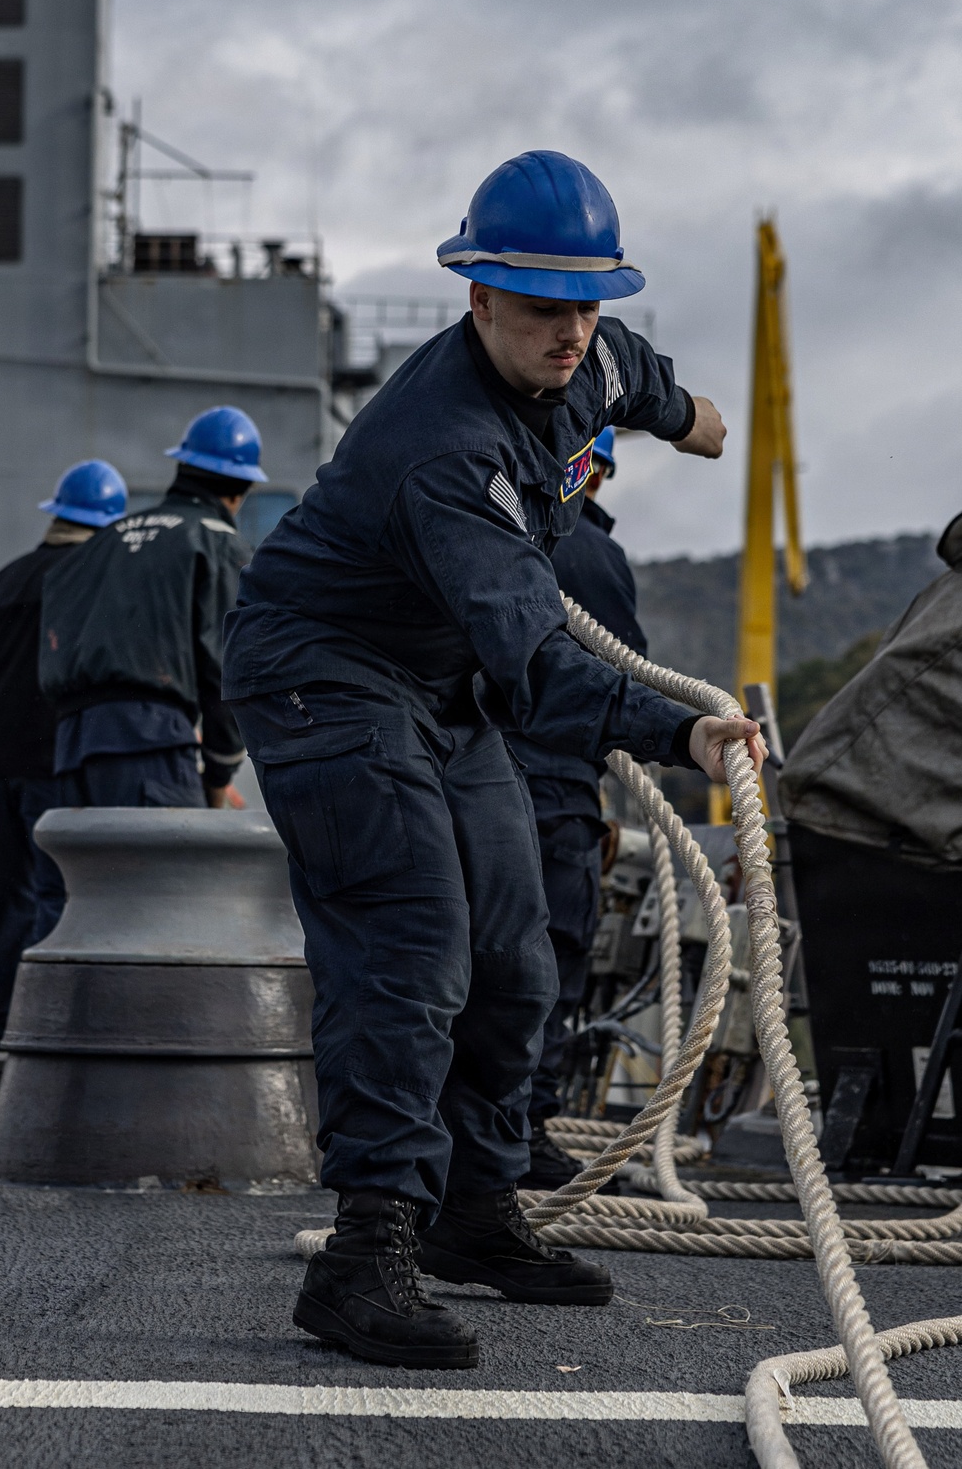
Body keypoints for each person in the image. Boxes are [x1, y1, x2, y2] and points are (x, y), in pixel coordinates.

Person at [222, 150, 766, 1370]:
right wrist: (678, 732)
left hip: (436, 682)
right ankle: (366, 1252)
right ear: (478, 299)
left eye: (587, 304)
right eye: (539, 307)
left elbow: (640, 378)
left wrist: (694, 421)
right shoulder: (445, 452)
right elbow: (537, 663)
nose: (569, 331)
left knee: (516, 949)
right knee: (410, 940)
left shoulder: (591, 354)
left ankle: (473, 1208)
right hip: (325, 671)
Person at [508, 425, 650, 1187]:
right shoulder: (592, 554)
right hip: (554, 792)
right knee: (547, 964)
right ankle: (520, 1138)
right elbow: (624, 682)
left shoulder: (489, 532)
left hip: (466, 782)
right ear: (594, 473)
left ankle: (455, 1136)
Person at [0, 461, 127, 1048]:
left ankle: (1, 1024)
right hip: (50, 762)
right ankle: (46, 1029)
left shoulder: (0, 583)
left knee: (7, 897)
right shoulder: (89, 576)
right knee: (57, 893)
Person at [39, 407, 262, 809]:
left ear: (182, 468)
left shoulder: (102, 542)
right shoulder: (217, 542)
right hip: (150, 743)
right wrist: (219, 769)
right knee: (174, 852)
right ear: (238, 493)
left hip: (70, 751)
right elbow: (228, 667)